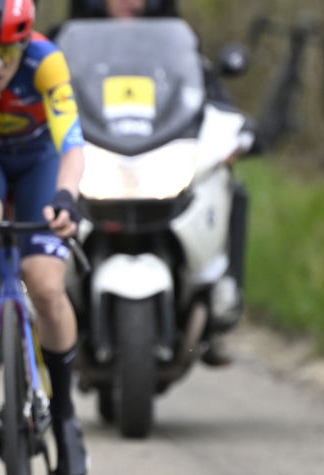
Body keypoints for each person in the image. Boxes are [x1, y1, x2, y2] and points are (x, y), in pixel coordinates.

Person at [56, 0, 246, 366]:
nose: (131, 1)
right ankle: (13, 309)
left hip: (158, 162)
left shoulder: (177, 45)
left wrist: (235, 128)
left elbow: (211, 99)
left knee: (228, 185)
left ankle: (224, 296)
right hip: (95, 158)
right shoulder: (63, 46)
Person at [0, 0, 88, 475]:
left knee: (46, 285)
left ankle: (67, 414)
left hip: (38, 162)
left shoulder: (45, 61)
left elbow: (71, 142)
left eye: (5, 52)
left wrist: (67, 198)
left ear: (24, 43)